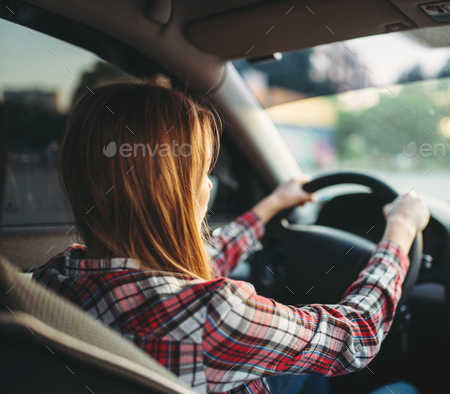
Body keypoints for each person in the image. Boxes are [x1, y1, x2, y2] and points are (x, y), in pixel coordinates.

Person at [33, 83, 430, 394]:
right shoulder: (218, 316)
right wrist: (399, 231)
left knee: (305, 375)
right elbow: (356, 336)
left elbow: (198, 261)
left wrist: (270, 206)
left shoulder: (55, 279)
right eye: (203, 171)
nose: (208, 186)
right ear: (166, 187)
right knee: (408, 389)